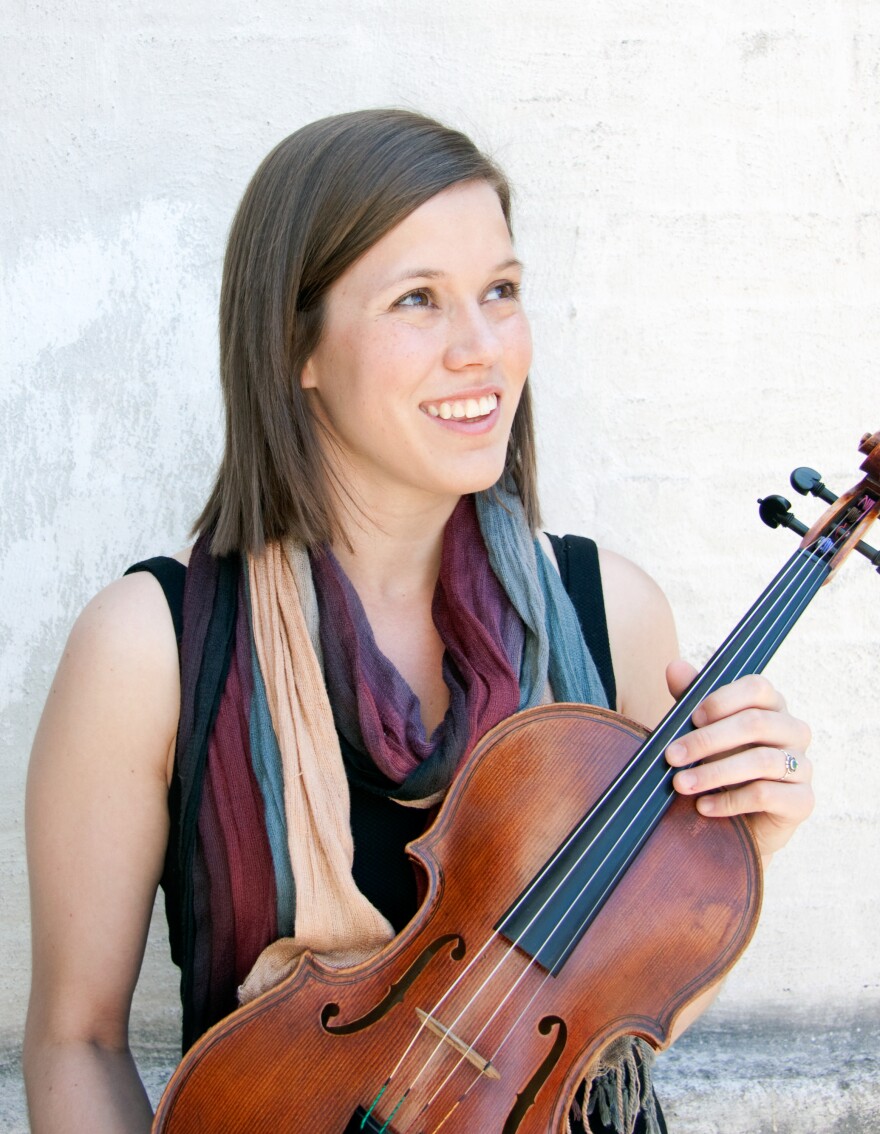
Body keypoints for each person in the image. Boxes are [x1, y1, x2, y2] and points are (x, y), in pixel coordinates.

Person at [23, 109, 814, 1134]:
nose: (481, 350)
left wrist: (738, 846)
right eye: (417, 301)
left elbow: (589, 1037)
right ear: (293, 345)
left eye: (500, 291)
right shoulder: (149, 648)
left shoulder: (612, 614)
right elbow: (75, 1040)